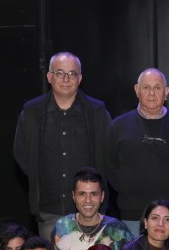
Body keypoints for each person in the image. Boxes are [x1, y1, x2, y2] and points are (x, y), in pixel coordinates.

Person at [14, 52, 112, 239]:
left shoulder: (97, 113)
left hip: (90, 212)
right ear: (49, 77)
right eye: (59, 73)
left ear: (80, 78)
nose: (66, 79)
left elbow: (110, 156)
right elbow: (22, 155)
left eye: (72, 74)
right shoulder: (32, 113)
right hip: (49, 211)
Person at [104, 68, 169, 238]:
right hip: (134, 215)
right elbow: (109, 167)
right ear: (137, 90)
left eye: (157, 88)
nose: (151, 93)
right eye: (146, 87)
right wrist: (129, 192)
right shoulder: (118, 126)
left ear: (166, 92)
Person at [52, 168, 133, 250]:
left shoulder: (117, 229)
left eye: (94, 194)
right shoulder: (63, 226)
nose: (88, 200)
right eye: (82, 194)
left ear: (102, 196)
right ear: (73, 196)